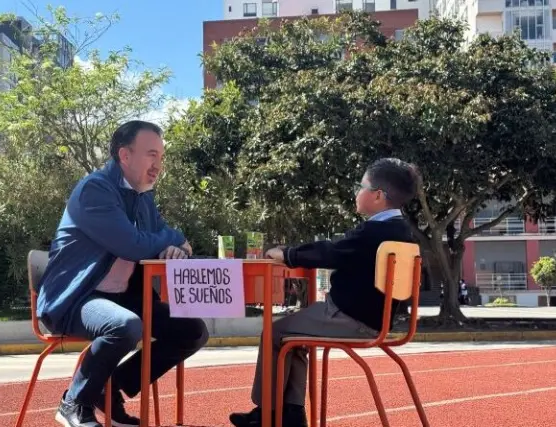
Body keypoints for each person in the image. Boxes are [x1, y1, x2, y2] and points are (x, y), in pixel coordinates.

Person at [37, 120, 210, 427]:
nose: (158, 165)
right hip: (77, 298)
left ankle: (109, 387)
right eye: (151, 154)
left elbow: (165, 234)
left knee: (193, 331)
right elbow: (131, 244)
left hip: (123, 297)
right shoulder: (95, 189)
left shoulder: (142, 196)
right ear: (124, 156)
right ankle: (74, 402)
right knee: (125, 326)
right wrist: (173, 241)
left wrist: (178, 248)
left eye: (161, 157)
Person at [229, 158, 421, 427]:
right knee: (292, 337)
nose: (356, 192)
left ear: (377, 196)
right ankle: (291, 414)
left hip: (350, 318)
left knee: (274, 333)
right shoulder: (403, 232)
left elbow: (331, 251)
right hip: (379, 319)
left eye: (360, 186)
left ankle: (266, 413)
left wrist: (287, 254)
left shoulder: (374, 233)